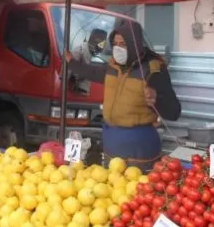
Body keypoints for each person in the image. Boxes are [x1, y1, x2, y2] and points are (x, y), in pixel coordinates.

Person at [66, 18, 181, 171]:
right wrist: (72, 62)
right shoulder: (113, 66)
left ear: (135, 44)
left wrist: (157, 99)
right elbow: (92, 72)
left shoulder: (154, 70)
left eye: (123, 44)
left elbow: (174, 112)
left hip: (139, 153)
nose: (118, 49)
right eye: (115, 44)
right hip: (111, 149)